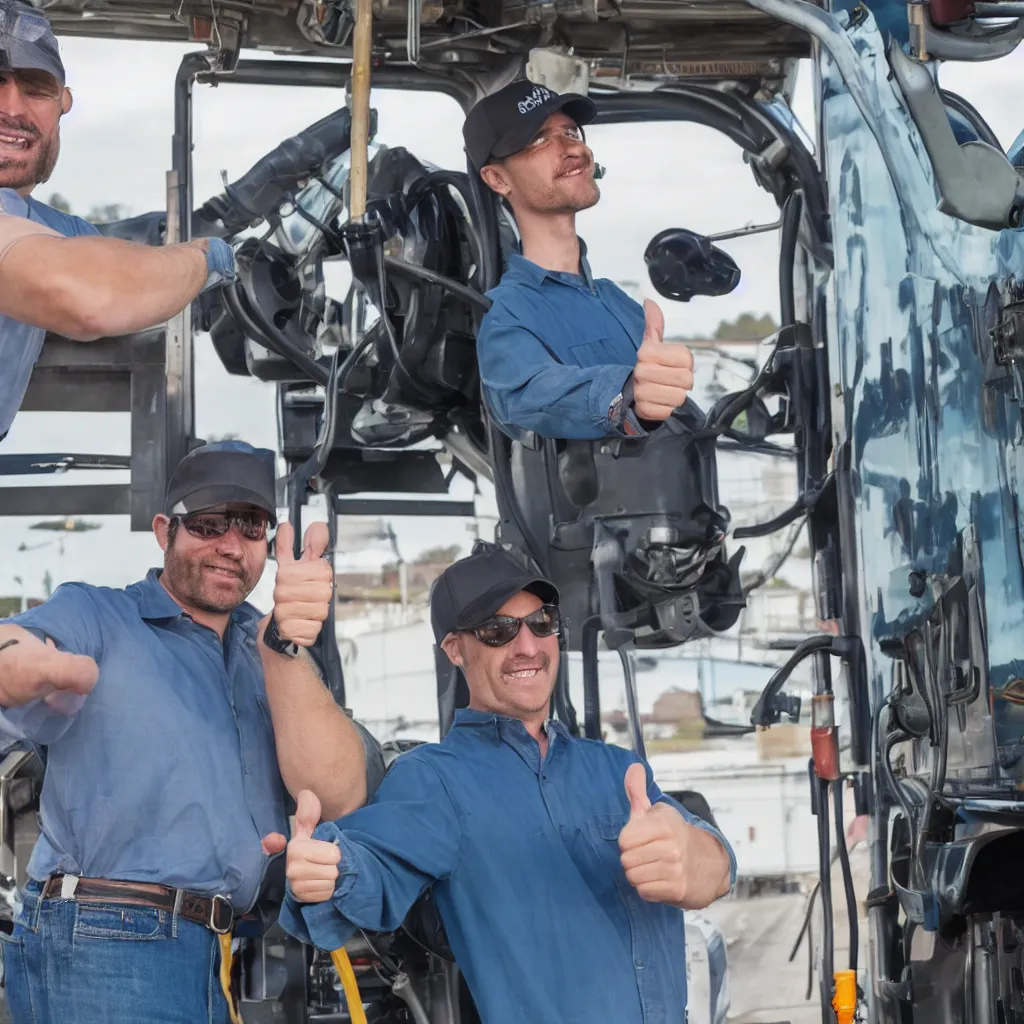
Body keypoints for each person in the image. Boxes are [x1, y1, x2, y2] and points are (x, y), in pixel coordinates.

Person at [268, 544, 736, 1024]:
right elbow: (371, 871)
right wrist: (325, 871)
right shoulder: (435, 780)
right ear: (454, 648)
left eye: (541, 623)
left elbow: (717, 869)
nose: (528, 646)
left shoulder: (619, 770)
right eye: (498, 631)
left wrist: (693, 857)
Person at [0, 440, 379, 1024]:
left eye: (250, 526)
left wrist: (284, 646)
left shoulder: (270, 648)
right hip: (104, 939)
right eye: (207, 524)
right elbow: (19, 644)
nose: (230, 546)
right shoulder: (96, 615)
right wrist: (16, 664)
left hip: (216, 949)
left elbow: (341, 796)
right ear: (164, 531)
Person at [0, 0, 236, 444]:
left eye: (35, 88)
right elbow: (88, 295)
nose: (13, 108)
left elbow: (106, 255)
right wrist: (208, 260)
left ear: (62, 104)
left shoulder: (36, 222)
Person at [463, 79, 697, 441]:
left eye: (571, 131)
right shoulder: (506, 316)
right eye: (539, 139)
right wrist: (629, 395)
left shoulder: (618, 302)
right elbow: (533, 391)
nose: (571, 147)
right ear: (497, 179)